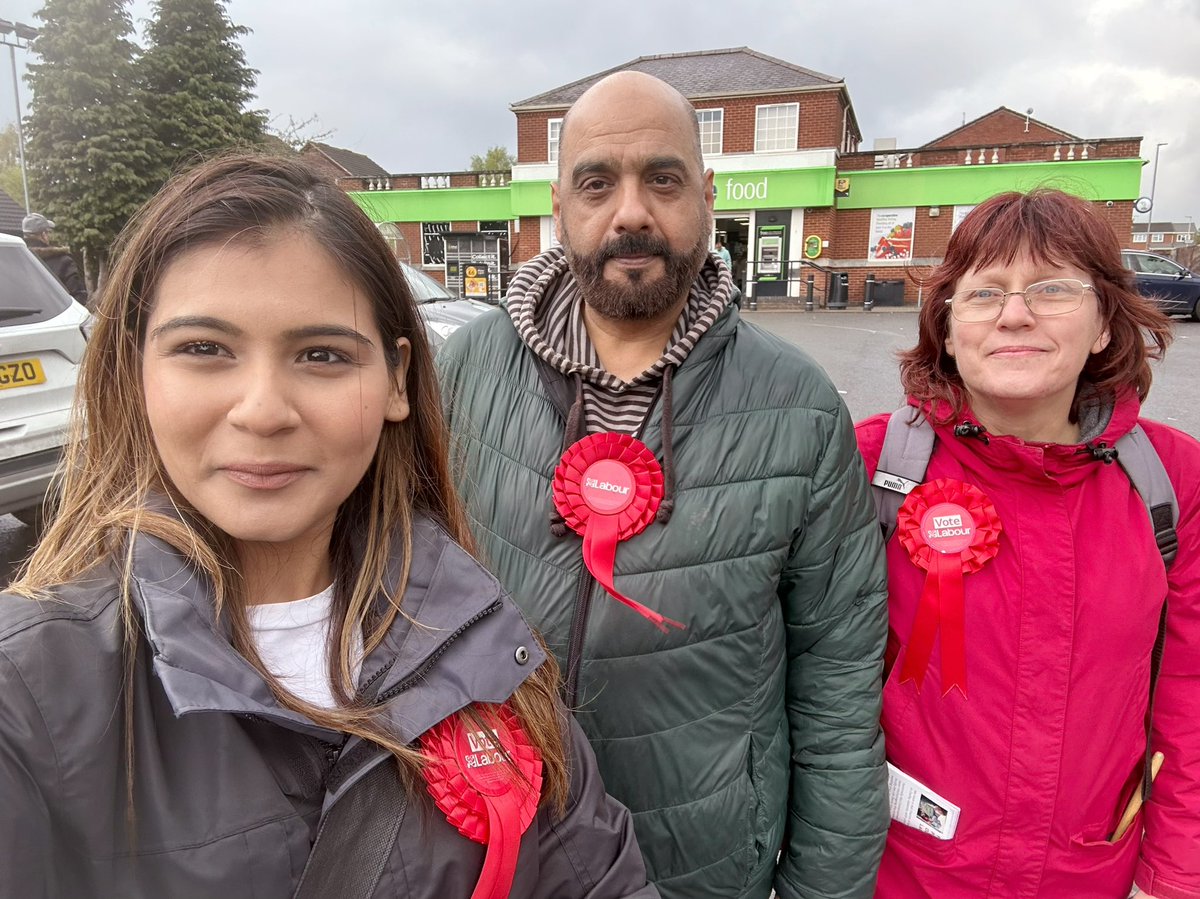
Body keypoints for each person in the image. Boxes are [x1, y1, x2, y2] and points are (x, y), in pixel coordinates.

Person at [0, 154, 659, 899]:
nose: (263, 409)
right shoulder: (26, 694)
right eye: (204, 350)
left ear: (397, 380)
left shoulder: (481, 636)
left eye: (321, 355)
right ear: (135, 368)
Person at [437, 71, 889, 899]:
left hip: (705, 865)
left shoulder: (799, 404)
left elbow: (838, 684)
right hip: (489, 850)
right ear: (561, 202)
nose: (632, 210)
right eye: (598, 182)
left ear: (707, 196)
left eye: (664, 178)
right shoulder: (461, 373)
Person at [855, 189, 1200, 898]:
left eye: (1051, 287)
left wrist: (1174, 875)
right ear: (947, 329)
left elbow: (1190, 698)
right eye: (985, 293)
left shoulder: (1174, 480)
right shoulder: (869, 468)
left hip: (1092, 875)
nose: (1016, 313)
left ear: (1104, 321)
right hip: (903, 878)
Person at [21, 211, 89, 305]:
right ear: (43, 234)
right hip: (59, 317)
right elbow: (79, 296)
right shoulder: (64, 261)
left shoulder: (16, 259)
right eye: (48, 232)